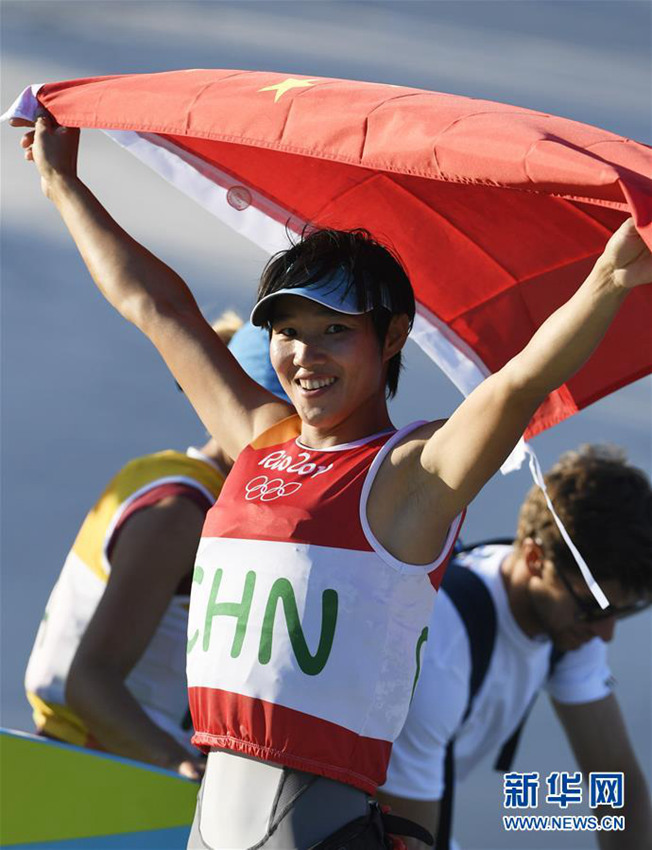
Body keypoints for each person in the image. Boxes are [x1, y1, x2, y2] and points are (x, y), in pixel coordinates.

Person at [14, 113, 652, 849]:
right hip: (205, 826)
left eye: (335, 330)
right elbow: (156, 308)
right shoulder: (258, 441)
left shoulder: (411, 478)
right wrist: (62, 184)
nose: (305, 355)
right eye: (288, 330)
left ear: (393, 335)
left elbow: (516, 386)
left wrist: (609, 279)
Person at [24, 315, 288, 780]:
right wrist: (182, 767)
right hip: (93, 770)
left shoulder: (174, 477)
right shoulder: (179, 514)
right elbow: (88, 681)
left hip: (94, 763)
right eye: (289, 430)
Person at [378, 445, 652, 849]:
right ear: (535, 558)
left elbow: (615, 784)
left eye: (621, 612)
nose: (606, 633)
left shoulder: (573, 620)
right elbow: (407, 838)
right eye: (594, 609)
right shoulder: (441, 649)